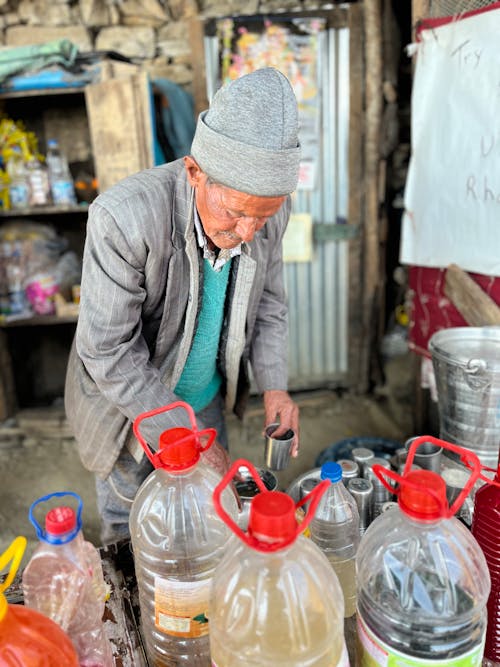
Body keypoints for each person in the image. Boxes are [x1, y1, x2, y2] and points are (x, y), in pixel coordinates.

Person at [64, 67, 301, 544]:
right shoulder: (124, 218)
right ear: (195, 172)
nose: (248, 233)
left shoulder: (264, 213)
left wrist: (275, 386)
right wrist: (182, 434)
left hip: (206, 402)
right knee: (133, 535)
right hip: (132, 413)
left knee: (212, 527)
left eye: (264, 215)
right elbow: (107, 349)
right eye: (233, 213)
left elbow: (270, 303)